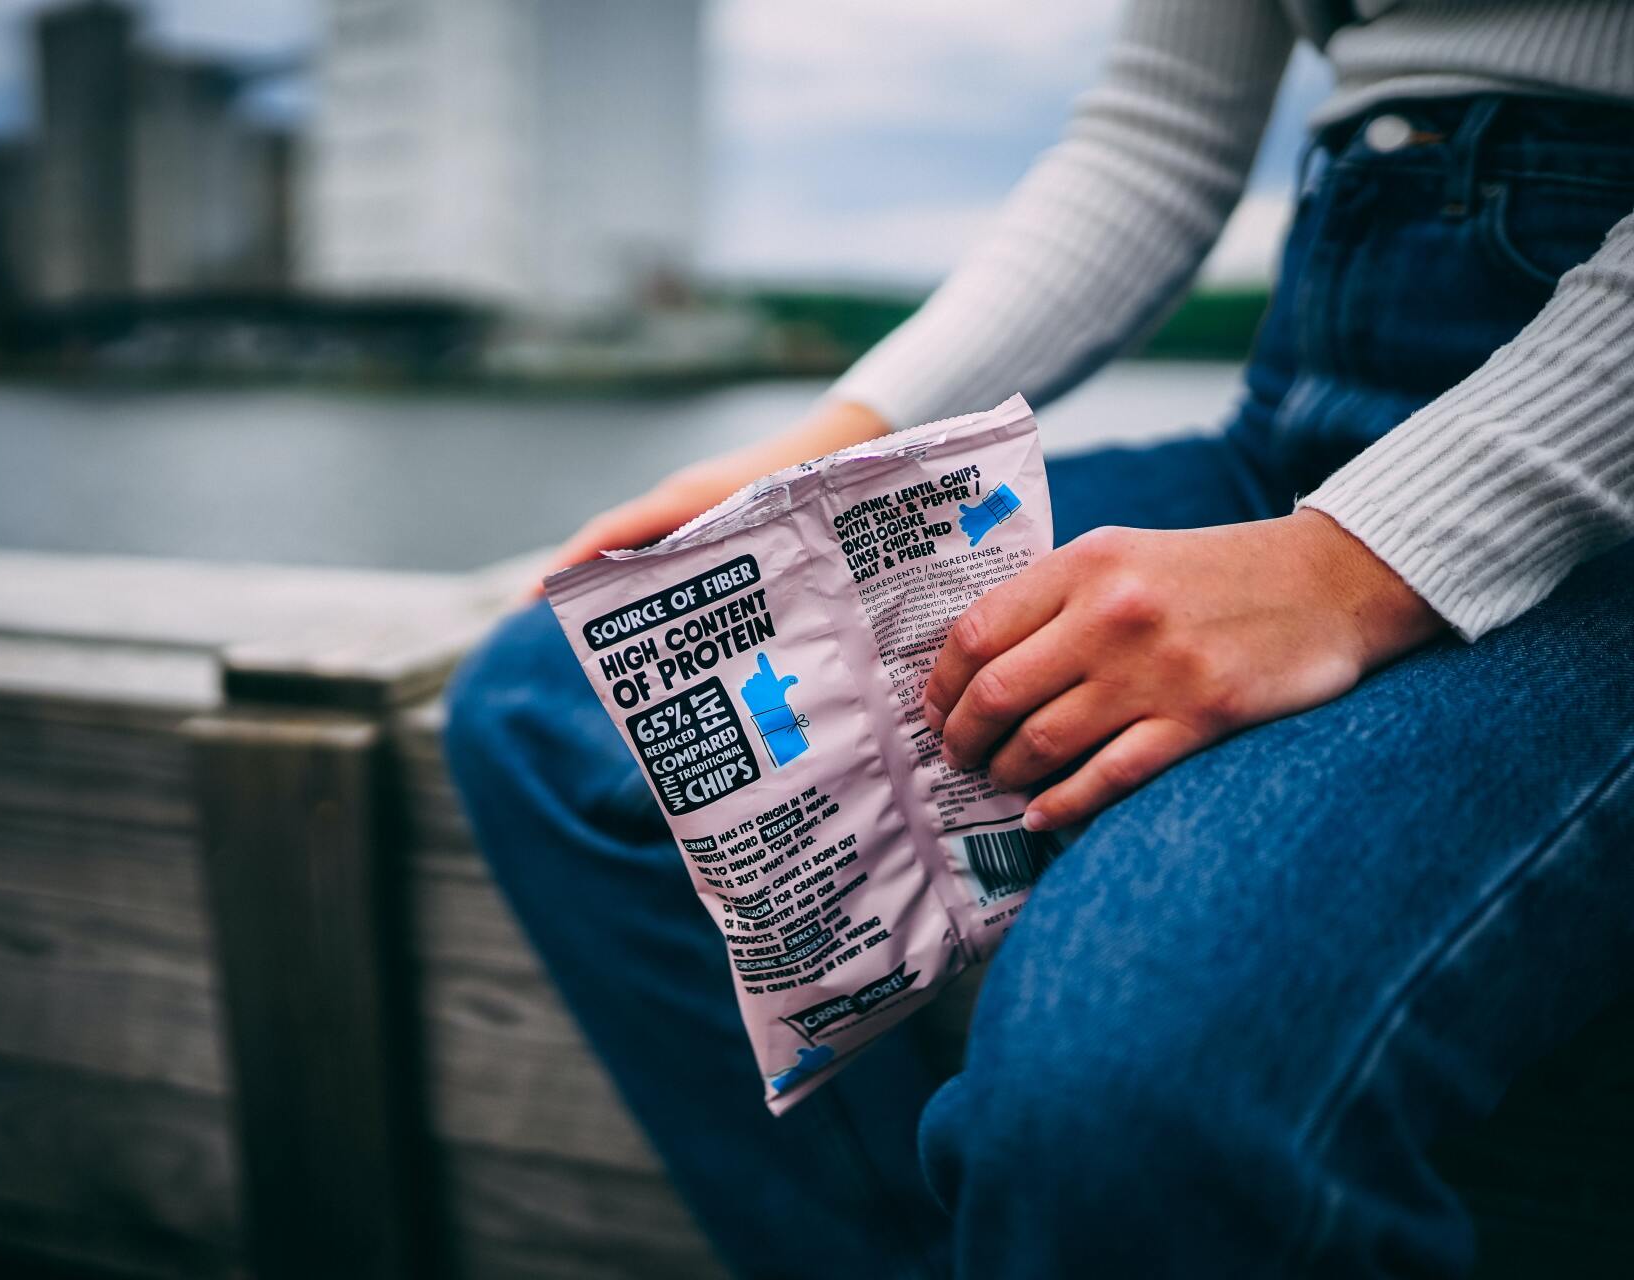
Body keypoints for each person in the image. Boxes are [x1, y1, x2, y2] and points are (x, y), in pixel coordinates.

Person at [446, 1, 1634, 1274]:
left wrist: (1354, 566)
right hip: (1295, 415)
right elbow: (1155, 137)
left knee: (1128, 1078)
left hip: (1594, 506)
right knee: (555, 709)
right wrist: (826, 449)